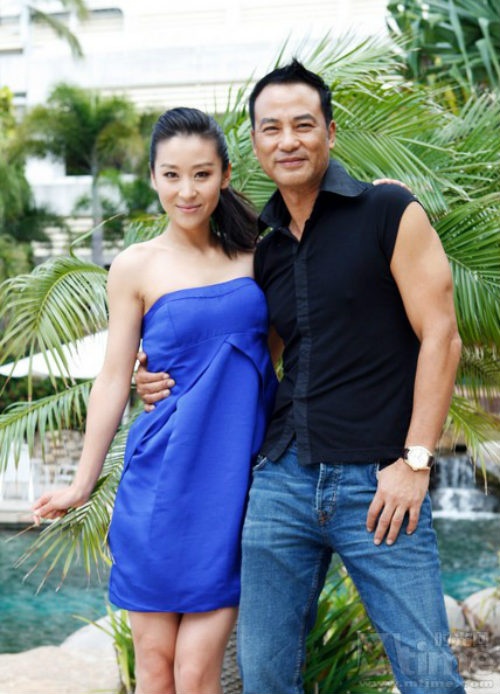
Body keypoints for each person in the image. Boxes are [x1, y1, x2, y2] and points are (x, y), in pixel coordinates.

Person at [135, 61, 465, 694]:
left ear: (330, 133)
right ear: (255, 144)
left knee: (428, 677)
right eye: (272, 128)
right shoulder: (263, 248)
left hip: (380, 482)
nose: (287, 140)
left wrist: (416, 461)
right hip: (281, 481)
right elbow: (242, 349)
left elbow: (441, 337)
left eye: (303, 125)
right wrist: (149, 374)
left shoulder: (388, 211)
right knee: (264, 678)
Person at [31, 107, 278, 694]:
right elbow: (114, 378)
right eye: (172, 175)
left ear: (225, 175)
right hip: (156, 483)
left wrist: (383, 194)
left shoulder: (261, 258)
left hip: (231, 487)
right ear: (153, 177)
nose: (186, 191)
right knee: (155, 670)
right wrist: (81, 484)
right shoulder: (134, 266)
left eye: (201, 174)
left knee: (196, 674)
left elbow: (282, 354)